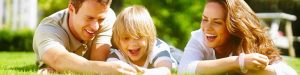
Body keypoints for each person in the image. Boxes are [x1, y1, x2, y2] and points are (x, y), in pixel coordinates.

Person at [178, 0, 297, 75]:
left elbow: (289, 73)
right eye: (204, 19)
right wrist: (238, 62)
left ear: (233, 26)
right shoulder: (199, 37)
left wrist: (251, 70)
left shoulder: (250, 40)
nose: (207, 28)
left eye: (217, 22)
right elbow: (184, 69)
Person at [33, 0, 137, 74]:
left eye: (100, 19)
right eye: (89, 18)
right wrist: (107, 68)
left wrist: (66, 67)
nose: (95, 27)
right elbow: (58, 59)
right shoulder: (48, 28)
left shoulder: (107, 16)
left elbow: (98, 61)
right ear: (71, 9)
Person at [107, 5, 177, 75]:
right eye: (126, 38)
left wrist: (145, 72)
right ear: (118, 40)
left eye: (138, 37)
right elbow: (112, 68)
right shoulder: (117, 53)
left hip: (174, 55)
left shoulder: (157, 48)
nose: (133, 44)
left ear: (149, 36)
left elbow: (165, 70)